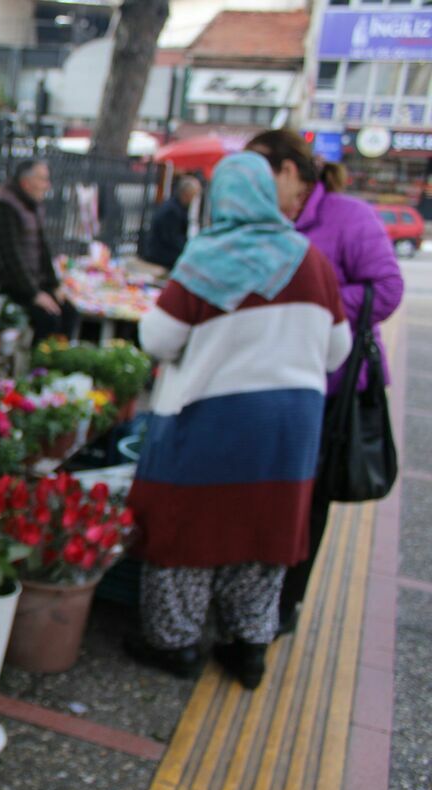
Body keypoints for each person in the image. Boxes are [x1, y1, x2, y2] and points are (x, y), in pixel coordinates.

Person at [124, 153, 352, 689]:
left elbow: (157, 338)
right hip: (290, 424)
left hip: (213, 415)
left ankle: (175, 643)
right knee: (263, 529)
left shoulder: (209, 256)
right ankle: (248, 647)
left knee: (187, 526)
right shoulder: (310, 259)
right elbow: (337, 350)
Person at [245, 129, 404, 634]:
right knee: (262, 494)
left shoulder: (349, 217)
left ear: (289, 171)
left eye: (260, 173)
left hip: (328, 389)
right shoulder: (262, 219)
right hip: (267, 380)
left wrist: (313, 304)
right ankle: (247, 601)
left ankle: (283, 605)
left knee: (307, 501)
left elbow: (387, 289)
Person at [0, 159, 76, 341]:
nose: (47, 186)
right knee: (48, 318)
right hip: (10, 286)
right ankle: (40, 359)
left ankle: (59, 357)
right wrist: (34, 294)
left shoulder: (30, 205)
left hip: (30, 283)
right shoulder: (3, 207)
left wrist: (54, 285)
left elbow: (42, 249)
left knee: (69, 312)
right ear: (26, 182)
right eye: (43, 179)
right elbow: (10, 258)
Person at [141, 177, 202, 269]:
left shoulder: (176, 206)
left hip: (163, 250)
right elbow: (172, 238)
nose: (193, 199)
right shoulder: (172, 211)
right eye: (193, 195)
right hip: (160, 253)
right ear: (186, 194)